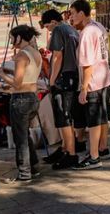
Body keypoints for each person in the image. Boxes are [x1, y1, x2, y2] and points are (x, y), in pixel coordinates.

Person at [0, 25, 42, 183]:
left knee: (20, 137)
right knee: (24, 134)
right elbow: (27, 75)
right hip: (33, 97)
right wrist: (9, 72)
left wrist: (1, 73)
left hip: (21, 98)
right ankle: (33, 166)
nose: (11, 41)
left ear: (19, 37)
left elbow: (18, 84)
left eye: (12, 37)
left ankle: (24, 173)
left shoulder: (22, 55)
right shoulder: (35, 52)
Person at [69, 0, 110, 170]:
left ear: (81, 13)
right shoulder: (98, 27)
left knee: (94, 120)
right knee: (101, 117)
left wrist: (83, 88)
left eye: (72, 13)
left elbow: (87, 64)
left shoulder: (87, 33)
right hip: (104, 78)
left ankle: (94, 156)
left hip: (94, 81)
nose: (71, 18)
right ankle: (102, 148)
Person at [39, 9, 81, 170]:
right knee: (67, 115)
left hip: (63, 77)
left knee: (63, 117)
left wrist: (52, 79)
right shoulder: (71, 29)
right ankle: (65, 149)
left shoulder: (58, 30)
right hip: (73, 75)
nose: (48, 30)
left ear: (54, 22)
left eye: (48, 27)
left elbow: (57, 56)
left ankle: (70, 154)